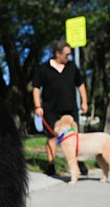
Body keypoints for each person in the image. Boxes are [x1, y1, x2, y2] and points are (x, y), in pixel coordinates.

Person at [32, 40, 89, 176]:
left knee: (74, 137)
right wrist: (37, 106)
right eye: (66, 54)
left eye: (69, 54)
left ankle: (79, 162)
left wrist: (84, 102)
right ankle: (51, 165)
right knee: (52, 137)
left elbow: (80, 85)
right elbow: (35, 88)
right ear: (57, 53)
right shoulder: (43, 68)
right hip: (50, 108)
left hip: (70, 108)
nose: (68, 57)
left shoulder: (72, 67)